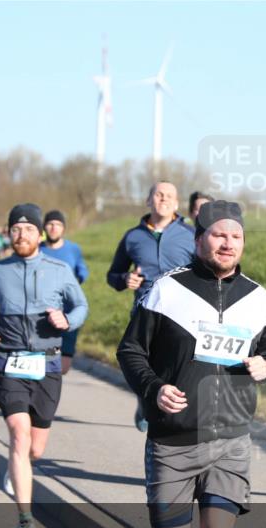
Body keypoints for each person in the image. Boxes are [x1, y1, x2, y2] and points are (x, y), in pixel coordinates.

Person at [117, 200, 266, 528]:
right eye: (219, 234)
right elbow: (131, 351)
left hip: (230, 441)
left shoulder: (258, 299)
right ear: (200, 238)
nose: (228, 243)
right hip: (174, 440)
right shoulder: (168, 291)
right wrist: (154, 388)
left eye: (236, 236)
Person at [0, 203, 88, 528]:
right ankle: (25, 520)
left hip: (47, 362)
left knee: (35, 449)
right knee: (19, 436)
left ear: (39, 234)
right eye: (15, 229)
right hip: (8, 360)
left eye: (29, 230)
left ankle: (19, 466)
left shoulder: (59, 270)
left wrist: (68, 321)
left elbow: (81, 305)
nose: (21, 235)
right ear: (8, 233)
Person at [107, 181, 196, 431]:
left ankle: (175, 415)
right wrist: (124, 279)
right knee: (145, 365)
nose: (163, 199)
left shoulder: (190, 236)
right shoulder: (132, 237)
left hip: (182, 316)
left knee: (177, 368)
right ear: (148, 200)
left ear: (177, 204)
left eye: (169, 196)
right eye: (158, 194)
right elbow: (113, 275)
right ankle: (146, 401)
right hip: (144, 315)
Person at [41, 209, 90, 375]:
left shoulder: (73, 249)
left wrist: (75, 282)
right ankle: (44, 390)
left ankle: (48, 385)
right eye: (50, 224)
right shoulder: (38, 250)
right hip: (44, 315)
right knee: (48, 364)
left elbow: (82, 270)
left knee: (63, 367)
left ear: (63, 228)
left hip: (68, 313)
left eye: (58, 225)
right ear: (44, 227)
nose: (54, 228)